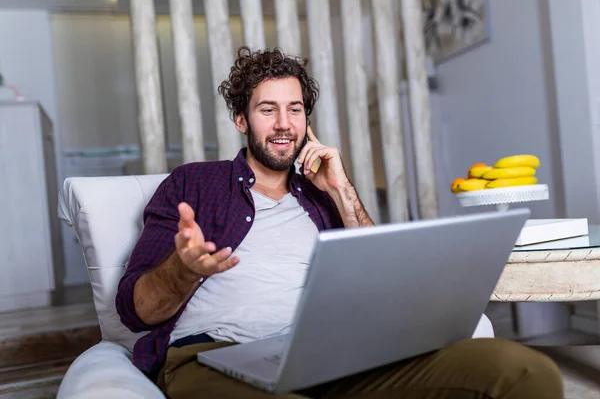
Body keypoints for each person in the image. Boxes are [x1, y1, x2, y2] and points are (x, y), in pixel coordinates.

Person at [116, 46, 563, 398]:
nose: (284, 124)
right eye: (267, 109)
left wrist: (342, 190)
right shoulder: (193, 184)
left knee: (525, 371)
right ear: (240, 120)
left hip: (332, 356)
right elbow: (136, 312)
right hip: (214, 357)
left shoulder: (321, 195)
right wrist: (184, 268)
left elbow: (389, 281)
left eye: (294, 109)